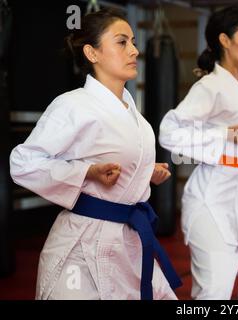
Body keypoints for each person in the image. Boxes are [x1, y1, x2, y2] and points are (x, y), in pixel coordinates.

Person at [9, 9, 181, 300]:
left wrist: (144, 172)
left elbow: (114, 160)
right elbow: (23, 163)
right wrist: (85, 173)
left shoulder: (134, 113)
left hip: (129, 241)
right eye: (122, 42)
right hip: (82, 244)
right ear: (92, 52)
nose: (135, 50)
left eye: (134, 42)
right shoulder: (73, 105)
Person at [159, 6, 238, 300]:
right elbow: (169, 132)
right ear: (225, 40)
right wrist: (221, 134)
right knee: (214, 292)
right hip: (214, 203)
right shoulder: (211, 85)